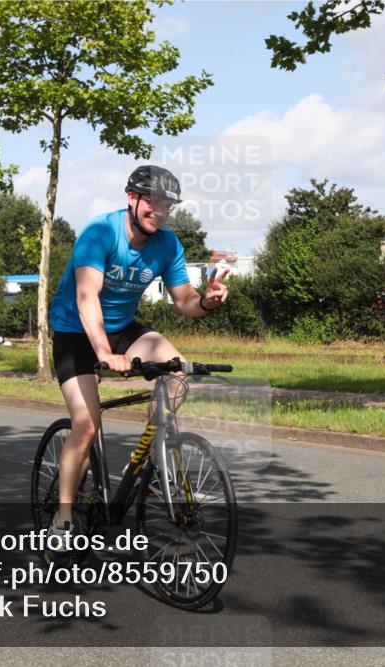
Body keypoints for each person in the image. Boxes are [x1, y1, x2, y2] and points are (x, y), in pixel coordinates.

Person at [47, 165, 229, 550]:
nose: (159, 212)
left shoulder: (168, 244)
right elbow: (86, 298)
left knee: (176, 373)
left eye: (166, 205)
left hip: (123, 327)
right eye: (152, 203)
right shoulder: (100, 232)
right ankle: (63, 518)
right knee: (86, 424)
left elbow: (184, 302)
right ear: (132, 199)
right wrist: (104, 355)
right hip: (76, 331)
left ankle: (152, 460)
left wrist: (207, 302)